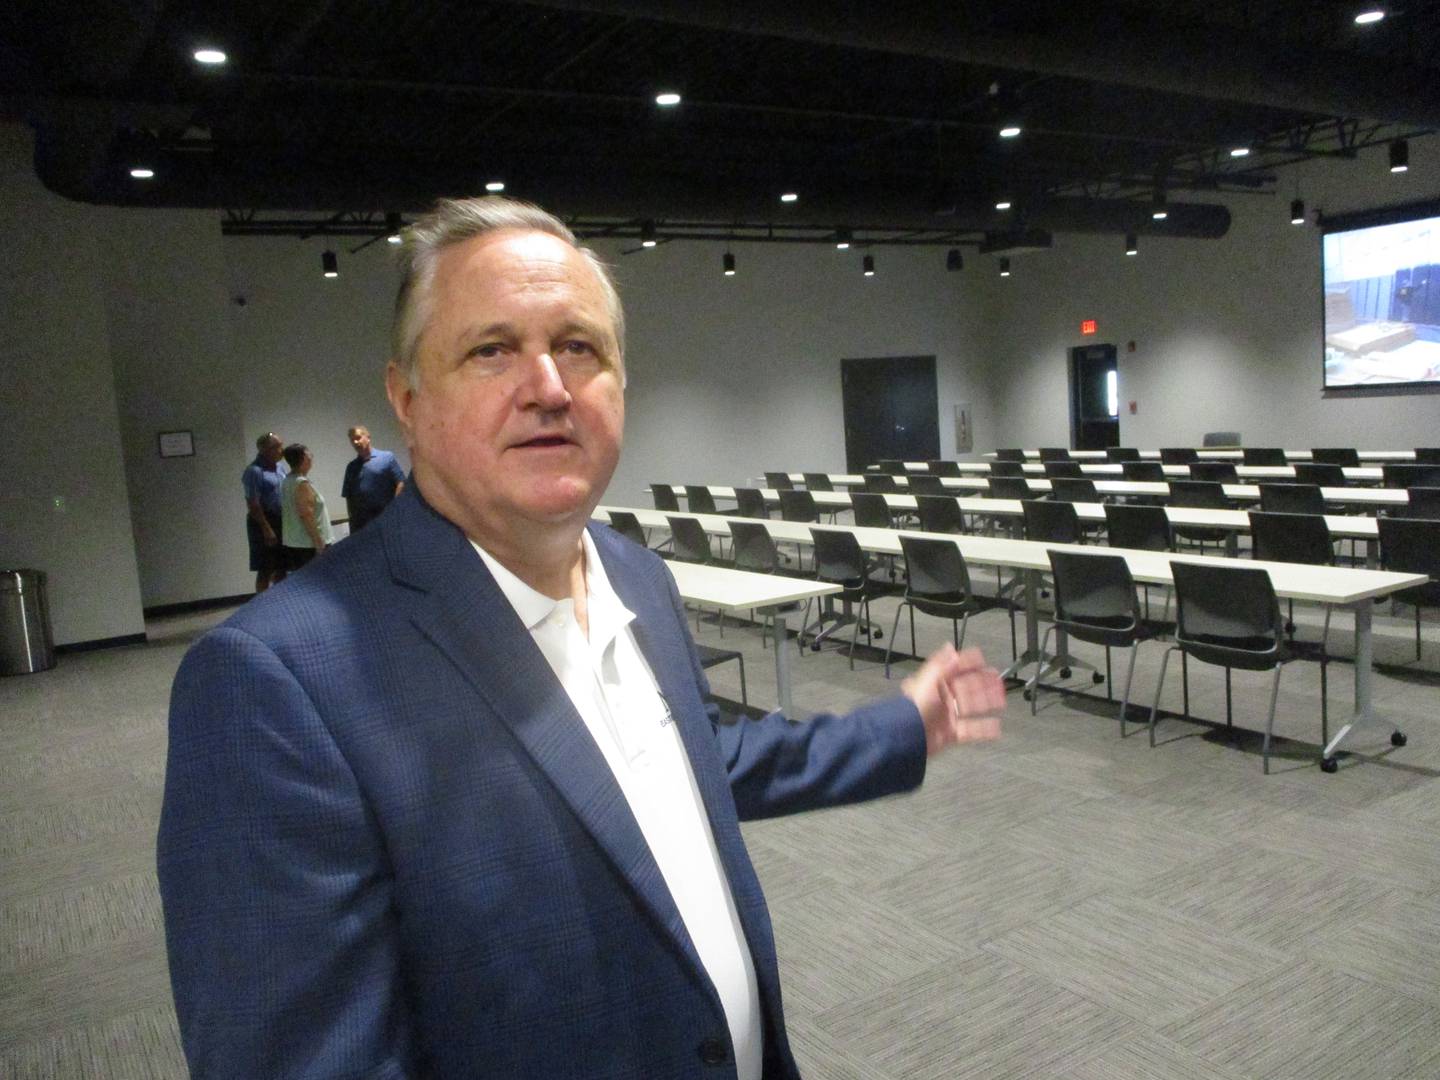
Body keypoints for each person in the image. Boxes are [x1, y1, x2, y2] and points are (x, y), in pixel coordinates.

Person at [158, 196, 1006, 1080]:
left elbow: (694, 762)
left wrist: (900, 725)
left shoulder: (638, 575)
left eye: (579, 347)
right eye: (492, 350)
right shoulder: (276, 681)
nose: (550, 387)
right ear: (407, 398)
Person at [240, 432, 288, 592]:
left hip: (281, 520)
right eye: (277, 447)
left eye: (281, 445)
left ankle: (280, 601)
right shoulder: (254, 471)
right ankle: (262, 606)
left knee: (282, 566)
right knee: (265, 567)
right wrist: (266, 528)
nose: (281, 450)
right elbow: (253, 503)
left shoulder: (281, 468)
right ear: (264, 450)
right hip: (263, 522)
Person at [279, 443, 334, 570]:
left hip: (296, 543)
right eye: (310, 455)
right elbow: (306, 514)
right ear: (304, 458)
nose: (312, 458)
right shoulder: (301, 483)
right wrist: (318, 542)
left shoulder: (287, 481)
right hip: (308, 545)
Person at [341, 424, 406, 532]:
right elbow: (348, 496)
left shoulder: (386, 457)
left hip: (386, 522)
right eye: (352, 440)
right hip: (361, 526)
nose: (355, 442)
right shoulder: (351, 467)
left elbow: (401, 482)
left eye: (358, 438)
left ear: (368, 437)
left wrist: (394, 510)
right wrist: (352, 522)